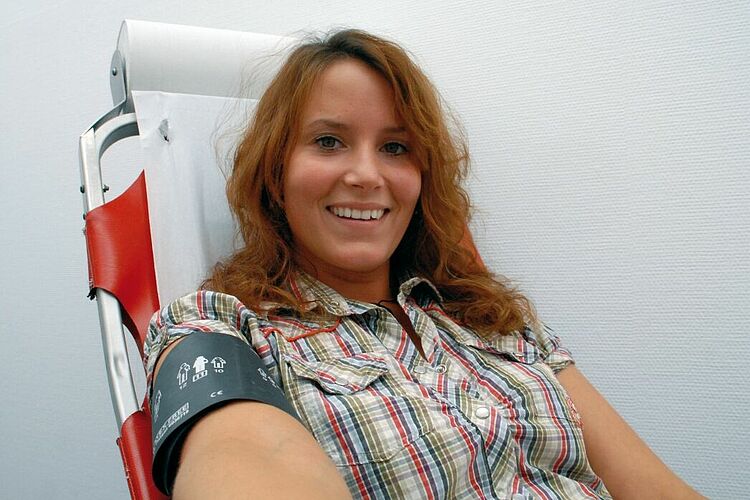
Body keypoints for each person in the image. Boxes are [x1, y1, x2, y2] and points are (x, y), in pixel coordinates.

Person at [144, 29, 702, 499]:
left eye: (395, 148)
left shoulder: (495, 320)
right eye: (329, 141)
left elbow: (654, 488)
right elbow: (244, 455)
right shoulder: (221, 327)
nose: (367, 175)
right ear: (274, 172)